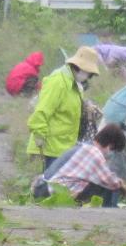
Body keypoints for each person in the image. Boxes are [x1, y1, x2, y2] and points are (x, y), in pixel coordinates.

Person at [24, 45, 102, 188]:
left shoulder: (74, 84)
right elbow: (42, 110)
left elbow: (69, 107)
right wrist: (39, 136)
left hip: (65, 144)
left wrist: (87, 108)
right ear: (80, 68)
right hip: (52, 144)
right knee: (51, 188)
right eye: (89, 74)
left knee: (59, 189)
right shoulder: (58, 81)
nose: (88, 78)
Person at [34, 123, 126, 208]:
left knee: (97, 182)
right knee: (105, 186)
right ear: (110, 146)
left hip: (41, 188)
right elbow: (110, 181)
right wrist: (123, 186)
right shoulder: (94, 153)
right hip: (51, 193)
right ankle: (108, 212)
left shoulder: (84, 146)